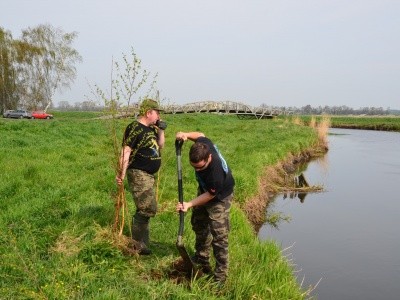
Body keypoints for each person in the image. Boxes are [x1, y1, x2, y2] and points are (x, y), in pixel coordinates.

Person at [175, 131, 235, 284]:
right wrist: (186, 135)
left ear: (209, 158)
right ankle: (202, 258)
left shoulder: (215, 174)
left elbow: (210, 196)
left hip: (219, 197)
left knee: (219, 236)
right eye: (194, 167)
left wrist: (189, 204)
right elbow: (200, 134)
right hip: (205, 190)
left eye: (200, 168)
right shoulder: (204, 144)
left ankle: (220, 277)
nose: (197, 171)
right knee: (199, 223)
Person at [116, 99, 166, 255]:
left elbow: (161, 145)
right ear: (148, 112)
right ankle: (137, 245)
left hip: (149, 175)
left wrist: (161, 130)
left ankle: (142, 243)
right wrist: (121, 173)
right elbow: (126, 150)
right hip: (138, 173)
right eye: (157, 113)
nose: (159, 116)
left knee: (147, 208)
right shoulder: (134, 128)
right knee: (147, 208)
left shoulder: (151, 129)